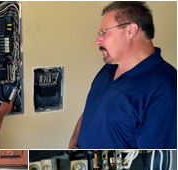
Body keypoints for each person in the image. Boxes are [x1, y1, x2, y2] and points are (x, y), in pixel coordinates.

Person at [69, 1, 177, 149]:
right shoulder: (108, 69)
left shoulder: (167, 88)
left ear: (130, 31)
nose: (98, 41)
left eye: (104, 32)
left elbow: (156, 156)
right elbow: (91, 110)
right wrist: (73, 143)